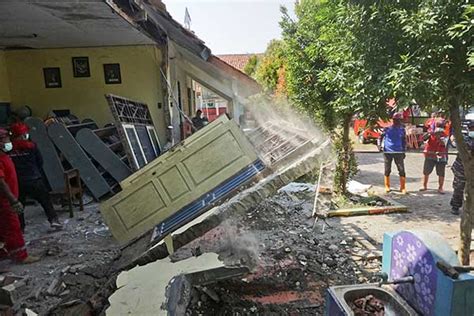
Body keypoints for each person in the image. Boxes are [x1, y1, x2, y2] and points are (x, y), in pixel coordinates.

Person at [9, 122, 62, 230]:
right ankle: (53, 220)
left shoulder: (9, 150)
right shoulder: (32, 146)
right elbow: (40, 162)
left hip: (18, 182)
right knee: (45, 200)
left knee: (20, 206)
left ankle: (21, 227)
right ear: (23, 135)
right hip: (34, 179)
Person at [0, 128, 39, 264]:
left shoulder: (5, 156)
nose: (9, 142)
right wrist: (13, 200)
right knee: (13, 227)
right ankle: (21, 255)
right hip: (5, 201)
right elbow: (1, 182)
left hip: (7, 199)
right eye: (6, 139)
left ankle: (4, 252)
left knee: (3, 228)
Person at [378, 112, 407, 194]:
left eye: (399, 120)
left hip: (399, 152)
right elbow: (379, 137)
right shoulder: (387, 129)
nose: (398, 122)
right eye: (396, 120)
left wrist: (404, 151)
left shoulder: (402, 130)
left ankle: (403, 187)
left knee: (401, 169)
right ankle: (387, 186)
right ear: (393, 120)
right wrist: (379, 146)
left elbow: (404, 141)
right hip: (388, 152)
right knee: (387, 169)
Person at [450, 122, 474, 215]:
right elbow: (455, 144)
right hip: (461, 169)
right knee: (459, 188)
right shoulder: (463, 139)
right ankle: (455, 206)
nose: (473, 130)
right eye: (471, 129)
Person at [420, 126, 448, 193]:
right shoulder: (431, 135)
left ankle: (440, 187)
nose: (438, 134)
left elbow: (443, 143)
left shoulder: (445, 136)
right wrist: (428, 134)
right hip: (430, 155)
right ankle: (424, 185)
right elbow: (423, 139)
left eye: (440, 133)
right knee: (426, 171)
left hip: (441, 157)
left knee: (441, 173)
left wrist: (439, 138)